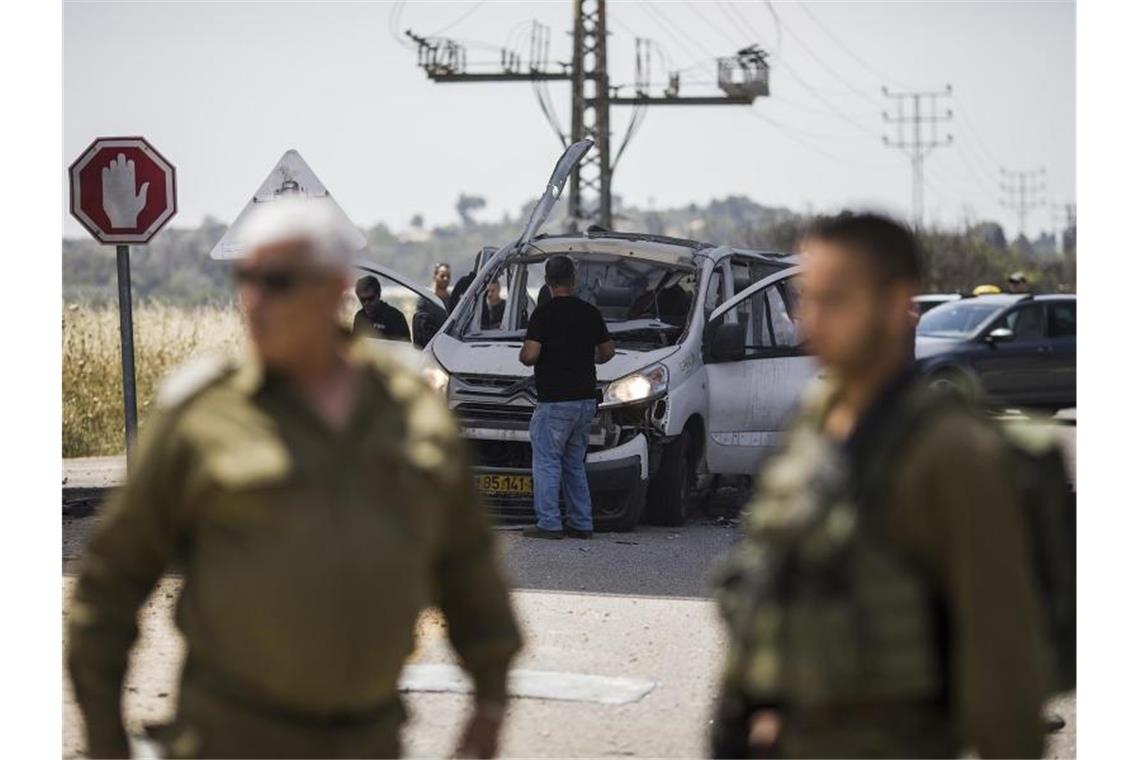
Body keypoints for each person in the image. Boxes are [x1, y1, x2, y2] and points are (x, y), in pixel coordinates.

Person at [67, 197, 521, 759]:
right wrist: (105, 740)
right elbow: (108, 586)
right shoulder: (203, 414)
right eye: (247, 278)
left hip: (369, 739)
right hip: (232, 738)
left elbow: (468, 564)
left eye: (278, 281)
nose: (254, 300)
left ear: (335, 288)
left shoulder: (409, 410)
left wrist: (491, 699)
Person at [711, 212, 1052, 758]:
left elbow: (1001, 662)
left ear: (899, 303)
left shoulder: (950, 452)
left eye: (836, 300)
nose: (811, 322)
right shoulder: (812, 428)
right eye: (807, 299)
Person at [518, 255, 615, 539]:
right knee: (574, 462)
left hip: (554, 401)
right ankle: (581, 522)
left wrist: (524, 354)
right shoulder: (590, 312)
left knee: (547, 461)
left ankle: (549, 523)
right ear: (573, 280)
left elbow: (531, 355)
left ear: (547, 282)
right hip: (585, 401)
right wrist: (584, 356)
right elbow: (607, 352)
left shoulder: (543, 314)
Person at [352, 275, 411, 341]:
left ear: (379, 295)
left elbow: (406, 347)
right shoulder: (360, 317)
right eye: (363, 300)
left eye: (370, 298)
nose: (367, 303)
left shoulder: (395, 317)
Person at [413, 262, 451, 346]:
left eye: (448, 276)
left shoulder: (452, 300)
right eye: (442, 276)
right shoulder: (426, 299)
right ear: (435, 276)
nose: (445, 279)